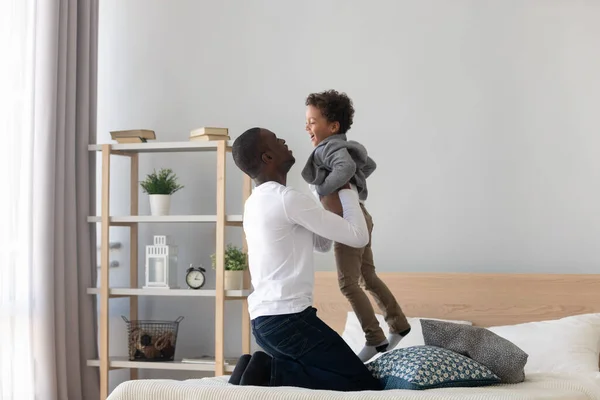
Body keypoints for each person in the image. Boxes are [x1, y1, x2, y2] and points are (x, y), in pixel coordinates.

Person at [228, 127, 382, 391]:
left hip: (264, 323)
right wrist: (347, 187)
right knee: (360, 382)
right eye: (276, 140)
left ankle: (251, 368)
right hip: (290, 320)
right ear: (267, 157)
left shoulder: (256, 202)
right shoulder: (287, 199)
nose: (284, 140)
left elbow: (321, 243)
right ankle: (271, 371)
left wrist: (319, 192)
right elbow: (358, 237)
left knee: (321, 373)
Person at [302, 90, 411, 362]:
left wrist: (322, 189)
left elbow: (347, 168)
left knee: (348, 284)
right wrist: (355, 187)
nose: (307, 127)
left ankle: (375, 339)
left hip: (350, 224)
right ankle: (398, 324)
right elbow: (367, 165)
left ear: (333, 126)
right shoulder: (343, 146)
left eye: (313, 122)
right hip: (360, 216)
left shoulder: (328, 149)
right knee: (368, 278)